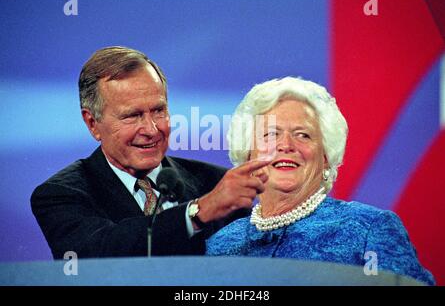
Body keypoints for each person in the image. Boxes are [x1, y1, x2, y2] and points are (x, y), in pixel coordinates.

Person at [31, 46, 271, 259]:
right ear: (93, 123)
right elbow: (99, 253)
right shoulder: (60, 195)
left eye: (158, 110)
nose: (151, 129)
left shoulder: (216, 184)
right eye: (132, 116)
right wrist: (197, 213)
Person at [205, 77, 435, 285]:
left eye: (303, 135)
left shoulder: (368, 229)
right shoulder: (220, 245)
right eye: (271, 134)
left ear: (325, 157)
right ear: (248, 155)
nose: (286, 145)